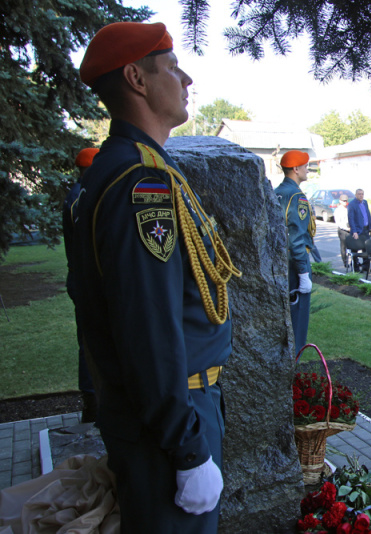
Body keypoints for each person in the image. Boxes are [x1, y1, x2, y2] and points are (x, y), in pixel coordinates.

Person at [74, 22, 241, 532]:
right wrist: (188, 450)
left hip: (159, 412)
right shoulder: (141, 184)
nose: (186, 78)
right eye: (171, 66)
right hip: (169, 421)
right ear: (136, 78)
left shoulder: (111, 172)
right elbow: (148, 327)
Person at [63, 147, 99, 424]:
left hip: (81, 278)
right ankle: (92, 404)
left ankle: (94, 403)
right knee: (90, 341)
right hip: (86, 282)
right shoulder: (80, 199)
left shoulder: (78, 194)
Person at [275, 150, 315, 352]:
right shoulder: (297, 197)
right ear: (296, 168)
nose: (308, 170)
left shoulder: (276, 192)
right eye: (306, 166)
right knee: (297, 325)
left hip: (279, 261)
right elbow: (297, 238)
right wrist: (303, 273)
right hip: (294, 264)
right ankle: (292, 372)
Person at [347, 188, 371, 272]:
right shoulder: (352, 204)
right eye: (359, 194)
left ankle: (366, 267)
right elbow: (351, 219)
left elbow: (368, 215)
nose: (361, 195)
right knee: (355, 249)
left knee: (367, 248)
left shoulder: (365, 202)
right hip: (357, 230)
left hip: (366, 230)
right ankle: (356, 268)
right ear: (355, 195)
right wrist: (354, 231)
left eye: (362, 194)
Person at [333, 194, 350, 269]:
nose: (345, 202)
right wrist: (346, 228)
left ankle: (355, 262)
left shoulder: (347, 209)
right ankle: (345, 262)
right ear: (340, 201)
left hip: (349, 229)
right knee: (343, 247)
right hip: (343, 230)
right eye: (343, 201)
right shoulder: (338, 210)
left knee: (353, 246)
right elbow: (338, 223)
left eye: (346, 201)